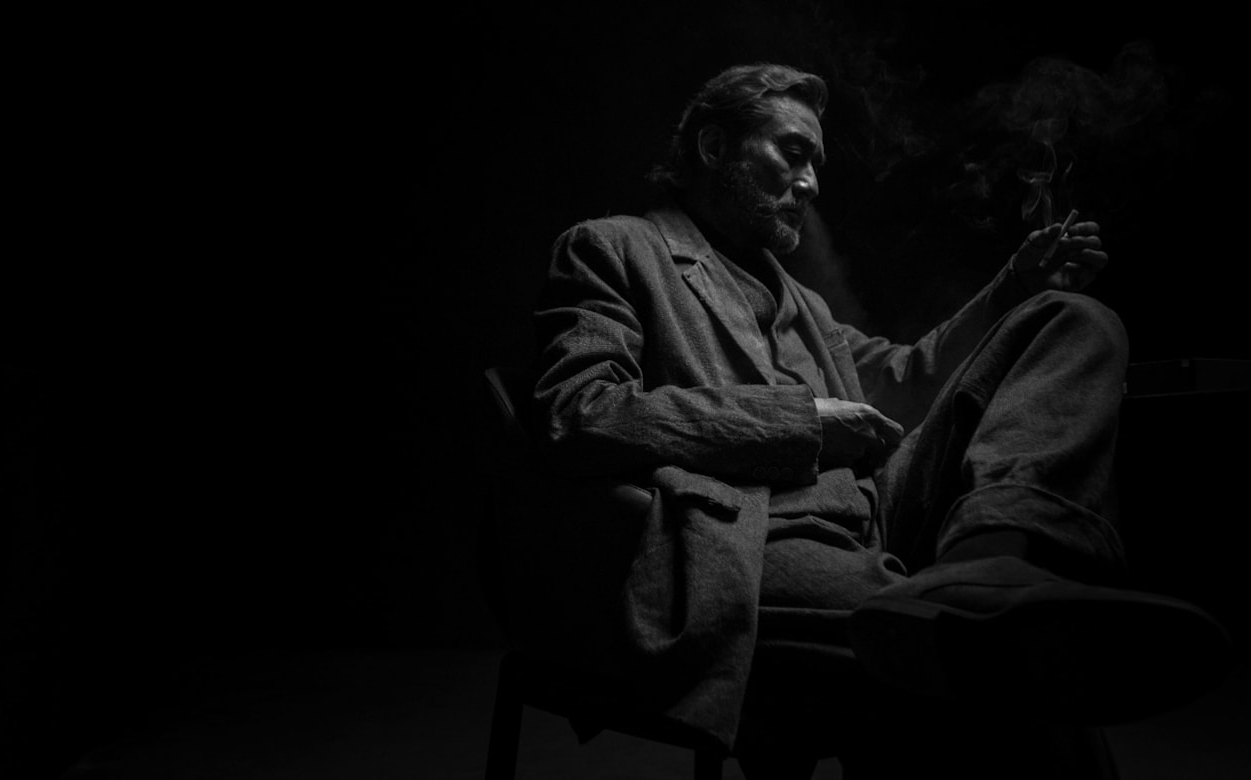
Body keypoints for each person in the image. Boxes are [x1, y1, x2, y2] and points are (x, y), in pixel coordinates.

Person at [521, 62, 1232, 778]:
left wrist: (1013, 291)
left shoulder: (802, 303)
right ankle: (977, 607)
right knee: (995, 666)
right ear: (714, 147)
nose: (810, 183)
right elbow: (575, 414)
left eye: (816, 164)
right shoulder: (613, 248)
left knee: (1074, 321)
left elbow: (906, 383)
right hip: (753, 535)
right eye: (792, 153)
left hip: (879, 520)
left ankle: (991, 561)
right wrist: (798, 420)